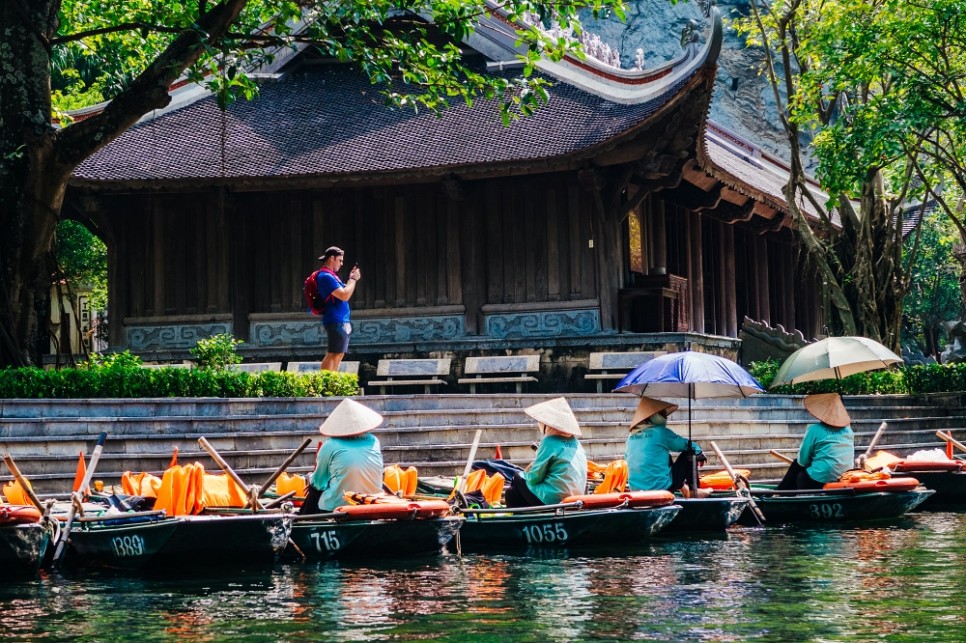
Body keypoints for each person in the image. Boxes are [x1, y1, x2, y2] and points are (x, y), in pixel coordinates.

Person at [301, 398, 384, 514]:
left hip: (339, 506)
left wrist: (310, 479)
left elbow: (319, 483)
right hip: (374, 503)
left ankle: (306, 524)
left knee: (314, 490)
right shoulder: (374, 440)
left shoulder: (330, 445)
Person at [504, 397, 588, 508]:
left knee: (517, 479)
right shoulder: (577, 443)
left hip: (553, 498)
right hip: (577, 497)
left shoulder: (549, 442)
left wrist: (527, 472)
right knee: (513, 492)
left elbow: (535, 477)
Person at [625, 396, 710, 498]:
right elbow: (683, 444)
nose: (665, 417)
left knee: (666, 457)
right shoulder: (660, 433)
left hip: (635, 490)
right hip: (661, 488)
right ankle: (693, 490)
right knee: (690, 452)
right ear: (652, 416)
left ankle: (685, 489)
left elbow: (628, 458)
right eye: (662, 414)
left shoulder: (631, 437)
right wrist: (698, 451)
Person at [777, 392, 855, 490]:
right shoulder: (849, 430)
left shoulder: (814, 429)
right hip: (845, 476)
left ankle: (780, 492)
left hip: (819, 479)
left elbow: (802, 461)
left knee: (796, 467)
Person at [316, 246, 361, 372]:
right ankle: (325, 383)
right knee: (333, 353)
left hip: (341, 319)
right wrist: (353, 279)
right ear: (332, 258)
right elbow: (344, 295)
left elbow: (344, 291)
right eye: (340, 260)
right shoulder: (325, 276)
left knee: (338, 353)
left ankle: (332, 382)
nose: (341, 263)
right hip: (336, 319)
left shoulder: (331, 276)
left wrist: (351, 280)